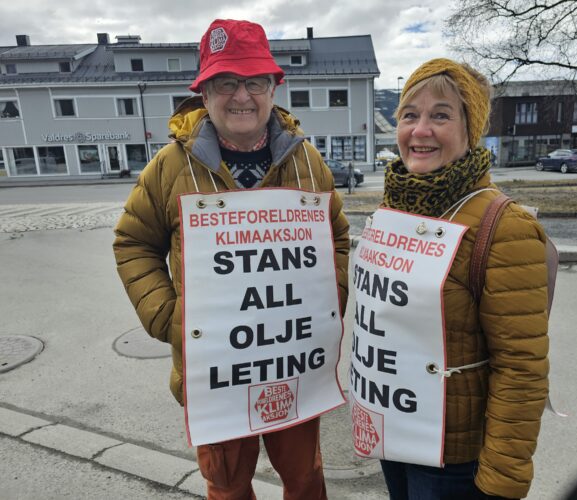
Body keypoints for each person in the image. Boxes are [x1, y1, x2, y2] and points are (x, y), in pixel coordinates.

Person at [112, 19, 349, 500]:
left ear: (273, 88)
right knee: (227, 486)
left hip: (291, 366)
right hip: (216, 373)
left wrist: (330, 299)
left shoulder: (307, 161)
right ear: (204, 93)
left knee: (305, 481)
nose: (242, 96)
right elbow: (133, 243)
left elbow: (337, 239)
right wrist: (169, 317)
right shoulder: (170, 166)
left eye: (254, 82)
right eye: (226, 83)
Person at [377, 58, 549, 499]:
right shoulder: (396, 209)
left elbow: (521, 367)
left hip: (455, 461)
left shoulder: (504, 226)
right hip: (395, 436)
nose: (420, 130)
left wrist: (501, 481)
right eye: (410, 115)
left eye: (440, 115)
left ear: (470, 130)